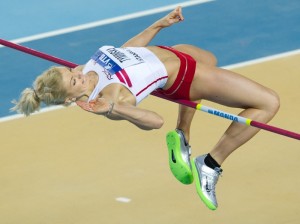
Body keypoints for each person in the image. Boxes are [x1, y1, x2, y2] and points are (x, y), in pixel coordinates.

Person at [11, 6, 280, 210]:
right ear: (70, 99)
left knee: (211, 57)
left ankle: (183, 135)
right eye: (73, 80)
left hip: (170, 53)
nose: (78, 73)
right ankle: (210, 164)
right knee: (268, 103)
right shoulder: (109, 96)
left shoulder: (86, 69)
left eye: (70, 70)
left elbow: (125, 52)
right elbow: (154, 121)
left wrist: (159, 25)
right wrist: (114, 109)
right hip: (186, 77)